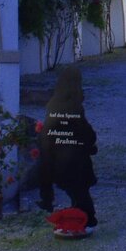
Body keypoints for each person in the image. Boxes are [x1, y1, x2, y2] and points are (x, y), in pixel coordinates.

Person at [37, 66, 98, 234]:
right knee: (80, 193)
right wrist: (89, 144)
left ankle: (77, 220)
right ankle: (85, 221)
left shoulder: (54, 103)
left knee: (76, 193)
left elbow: (49, 130)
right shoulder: (74, 105)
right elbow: (85, 132)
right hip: (75, 159)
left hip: (58, 157)